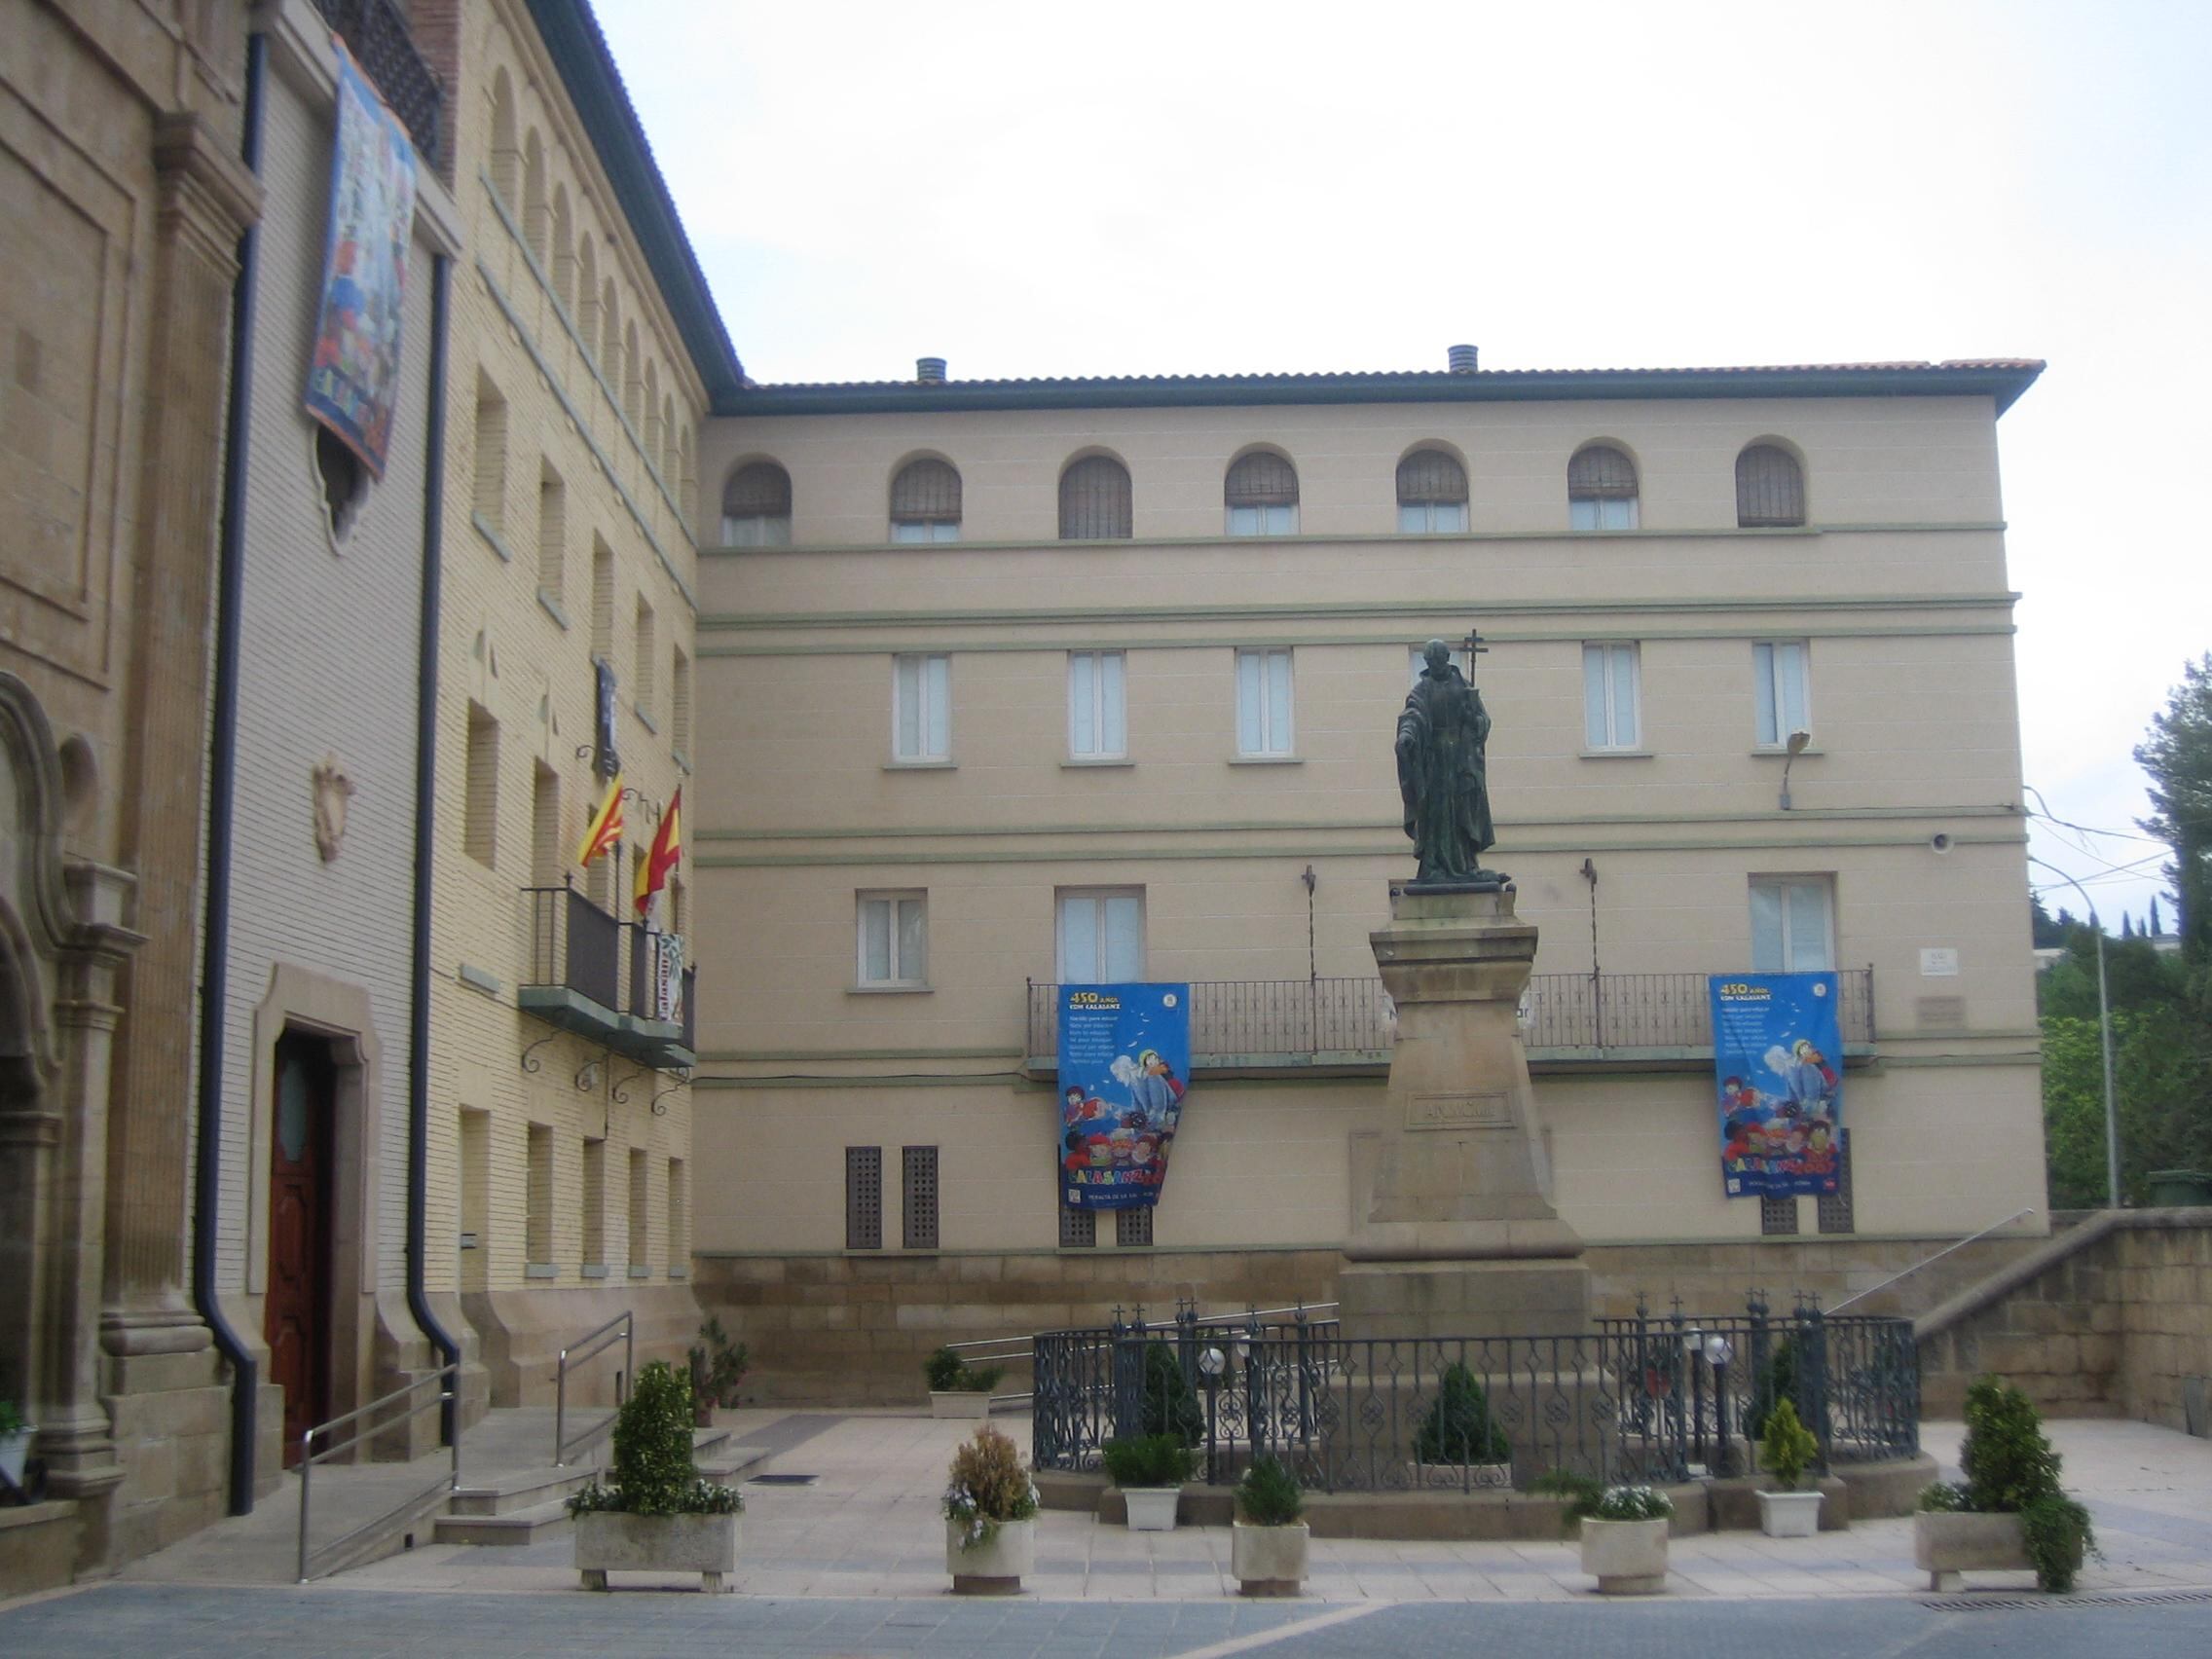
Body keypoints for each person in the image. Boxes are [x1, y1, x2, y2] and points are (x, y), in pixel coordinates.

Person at [1396, 639, 1497, 884]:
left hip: (1461, 759)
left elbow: (1482, 722)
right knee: (1436, 811)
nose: (1434, 666)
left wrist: (1473, 718)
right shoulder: (1422, 689)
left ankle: (1467, 864)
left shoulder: (1463, 686)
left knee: (1463, 808)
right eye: (1429, 663)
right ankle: (1434, 865)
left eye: (1437, 662)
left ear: (1446, 660)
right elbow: (1412, 715)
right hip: (1434, 759)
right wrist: (1407, 735)